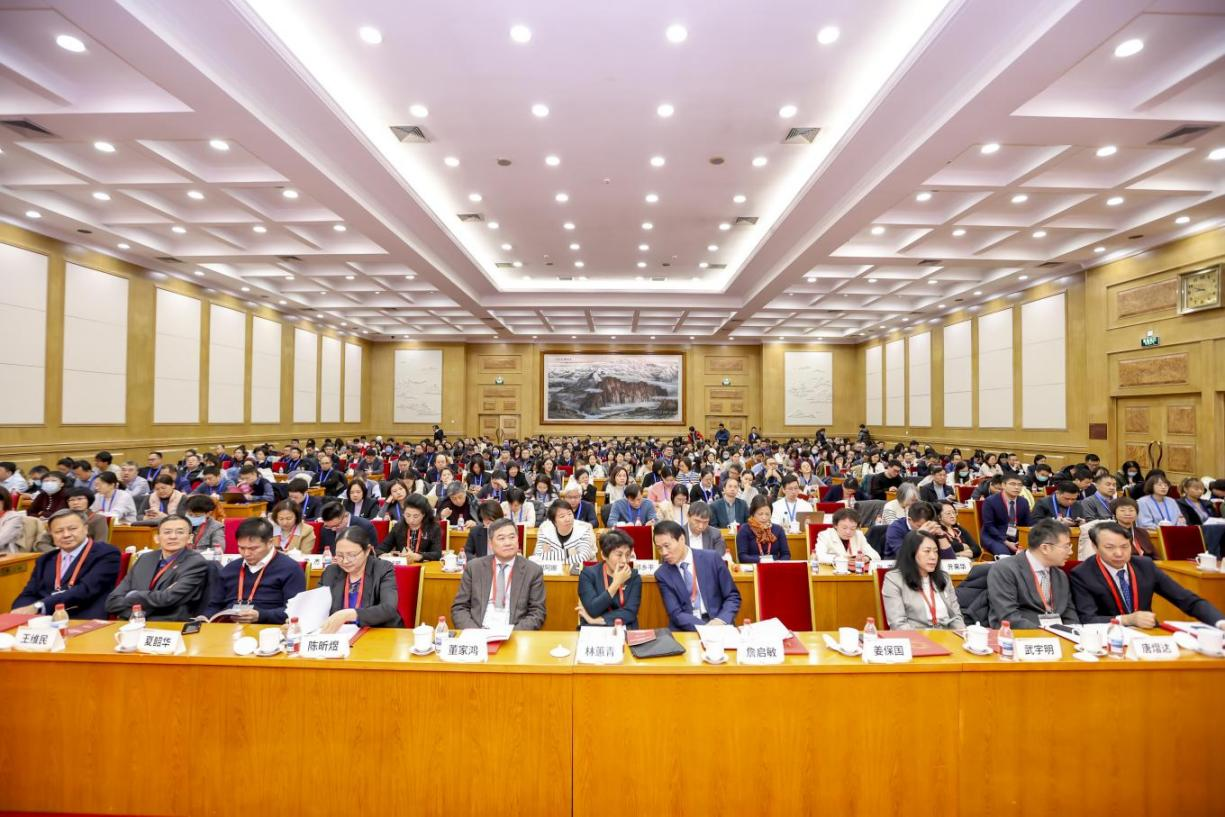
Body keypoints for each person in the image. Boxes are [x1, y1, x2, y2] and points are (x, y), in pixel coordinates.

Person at [1071, 523, 1225, 628]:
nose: (1119, 553)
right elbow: (1087, 619)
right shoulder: (1082, 574)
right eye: (1109, 547)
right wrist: (1127, 620)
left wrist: (1219, 622)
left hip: (1147, 633)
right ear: (1095, 547)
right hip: (1107, 637)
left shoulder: (1145, 565)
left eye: (1124, 546)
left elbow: (1186, 599)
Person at [11, 509, 120, 618]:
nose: (66, 535)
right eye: (58, 531)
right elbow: (28, 593)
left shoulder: (106, 553)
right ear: (51, 534)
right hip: (45, 619)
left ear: (85, 529)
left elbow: (85, 590)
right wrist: (20, 612)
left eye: (72, 529)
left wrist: (39, 606)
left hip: (82, 617)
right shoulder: (45, 560)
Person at [105, 515, 209, 621]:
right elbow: (112, 602)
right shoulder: (145, 558)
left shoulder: (195, 562)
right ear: (157, 538)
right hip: (133, 622)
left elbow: (168, 599)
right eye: (167, 532)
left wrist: (133, 595)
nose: (173, 536)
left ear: (190, 538)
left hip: (169, 624)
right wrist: (144, 607)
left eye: (180, 532)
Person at [204, 517, 305, 624]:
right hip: (229, 626)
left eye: (253, 549)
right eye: (241, 548)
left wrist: (261, 616)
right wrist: (204, 618)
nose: (246, 554)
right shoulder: (231, 568)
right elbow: (214, 605)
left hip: (268, 627)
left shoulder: (290, 568)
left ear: (270, 543)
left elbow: (295, 611)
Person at [451, 518, 546, 630]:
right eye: (501, 538)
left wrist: (512, 634)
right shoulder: (474, 567)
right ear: (491, 544)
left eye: (512, 537)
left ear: (518, 540)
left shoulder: (533, 571)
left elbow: (537, 612)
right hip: (478, 630)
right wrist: (475, 633)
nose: (508, 543)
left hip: (513, 632)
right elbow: (460, 608)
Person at [986, 519, 1079, 628]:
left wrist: (1073, 632)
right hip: (1022, 634)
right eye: (1066, 547)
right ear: (1045, 548)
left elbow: (1069, 614)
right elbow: (1009, 617)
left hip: (1057, 634)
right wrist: (1047, 633)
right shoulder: (1005, 569)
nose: (1071, 552)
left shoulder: (1061, 575)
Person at [653, 520, 740, 631]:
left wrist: (720, 620)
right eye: (659, 548)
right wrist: (706, 629)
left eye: (667, 546)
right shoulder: (663, 574)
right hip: (687, 628)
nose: (664, 552)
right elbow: (675, 612)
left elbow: (732, 596)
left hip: (719, 622)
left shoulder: (711, 558)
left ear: (682, 539)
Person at [317, 526, 401, 632]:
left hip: (378, 633)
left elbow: (388, 609)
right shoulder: (331, 572)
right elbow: (317, 606)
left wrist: (350, 614)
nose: (345, 561)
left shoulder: (383, 569)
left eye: (351, 555)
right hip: (341, 634)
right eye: (339, 555)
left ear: (367, 551)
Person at [882, 530, 966, 630]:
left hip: (947, 636)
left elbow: (956, 617)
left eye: (936, 551)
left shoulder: (944, 577)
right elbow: (898, 624)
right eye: (927, 551)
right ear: (912, 553)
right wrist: (927, 638)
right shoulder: (894, 579)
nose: (933, 557)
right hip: (916, 636)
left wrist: (963, 634)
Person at [577, 529, 642, 628]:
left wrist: (598, 620)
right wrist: (616, 584)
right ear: (604, 555)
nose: (624, 560)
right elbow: (593, 610)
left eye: (627, 555)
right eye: (619, 555)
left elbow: (630, 612)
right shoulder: (588, 575)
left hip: (624, 627)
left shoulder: (634, 576)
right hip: (594, 630)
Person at [1078, 496, 1154, 560]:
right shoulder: (1108, 532)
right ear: (1115, 514)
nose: (1127, 513)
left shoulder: (1142, 532)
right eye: (1122, 510)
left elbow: (1154, 555)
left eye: (1131, 510)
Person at [534, 499, 596, 568]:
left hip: (578, 573)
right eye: (562, 516)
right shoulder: (545, 529)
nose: (568, 519)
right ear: (554, 522)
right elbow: (538, 556)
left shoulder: (583, 529)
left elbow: (583, 557)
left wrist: (550, 556)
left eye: (569, 514)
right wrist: (570, 552)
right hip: (553, 573)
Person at [980, 473, 1031, 556]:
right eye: (1012, 484)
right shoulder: (990, 501)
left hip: (1016, 537)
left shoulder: (1023, 501)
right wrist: (1006, 542)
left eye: (1020, 485)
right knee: (1005, 555)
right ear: (1003, 485)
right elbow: (989, 526)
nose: (1017, 487)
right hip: (994, 537)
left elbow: (1027, 523)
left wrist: (1022, 539)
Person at [737, 494, 790, 564]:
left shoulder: (778, 529)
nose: (764, 518)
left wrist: (777, 563)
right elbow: (742, 557)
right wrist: (762, 561)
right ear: (753, 513)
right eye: (760, 514)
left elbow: (786, 554)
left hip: (774, 566)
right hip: (753, 567)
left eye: (767, 514)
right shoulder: (745, 529)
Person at [814, 507, 879, 562]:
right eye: (844, 528)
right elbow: (819, 556)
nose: (848, 532)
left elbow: (875, 555)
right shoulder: (825, 535)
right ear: (835, 525)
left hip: (855, 571)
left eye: (853, 528)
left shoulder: (858, 535)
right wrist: (843, 559)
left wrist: (866, 558)